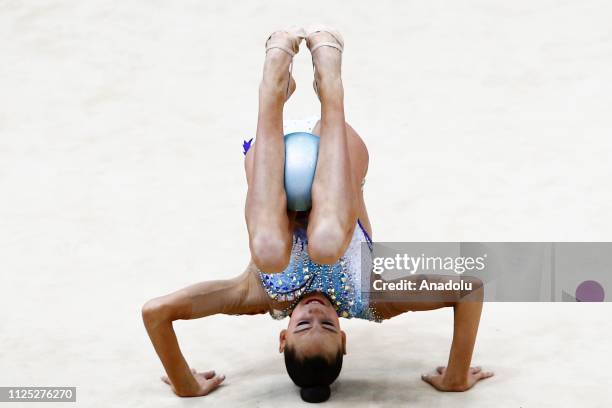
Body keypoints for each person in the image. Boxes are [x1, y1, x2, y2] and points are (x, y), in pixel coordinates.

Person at [142, 25, 493, 403]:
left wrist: (185, 383)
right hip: (333, 144)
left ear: (283, 337)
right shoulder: (375, 299)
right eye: (326, 324)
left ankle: (272, 91)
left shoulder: (258, 296)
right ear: (343, 337)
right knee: (326, 244)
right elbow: (467, 289)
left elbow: (156, 312)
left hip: (271, 153)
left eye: (303, 324)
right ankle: (330, 84)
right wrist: (455, 377)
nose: (314, 311)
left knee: (270, 253)